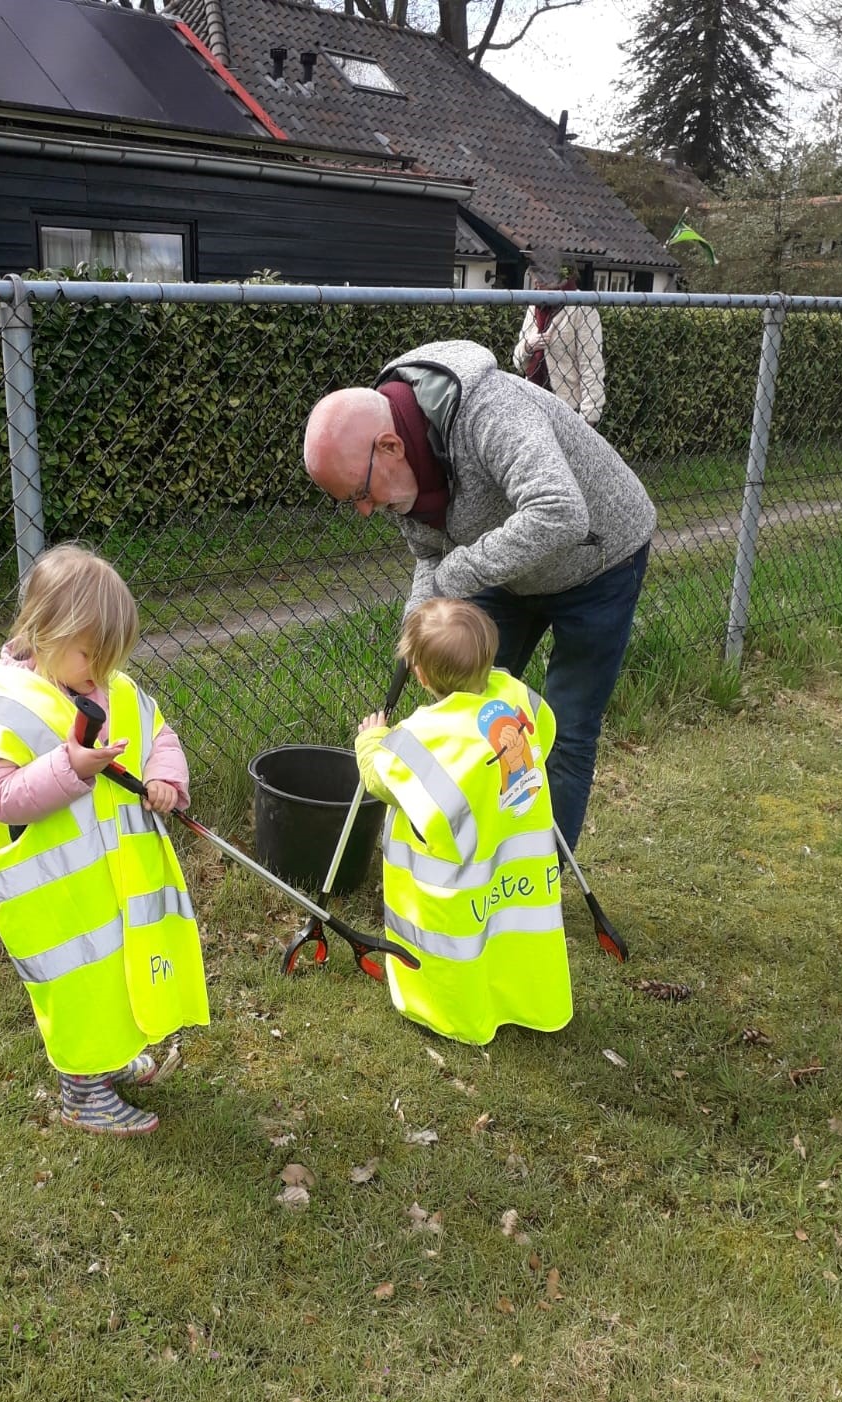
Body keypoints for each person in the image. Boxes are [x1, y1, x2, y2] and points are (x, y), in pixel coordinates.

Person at [302, 338, 656, 851]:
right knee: (464, 710)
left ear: (390, 447)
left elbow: (559, 510)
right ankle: (477, 856)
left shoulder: (487, 409)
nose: (362, 510)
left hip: (600, 562)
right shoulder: (405, 470)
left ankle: (539, 879)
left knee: (568, 731)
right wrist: (416, 628)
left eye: (360, 493)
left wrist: (457, 576)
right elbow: (431, 555)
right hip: (507, 571)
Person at [0, 544, 209, 1135]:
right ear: (44, 629)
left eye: (112, 654)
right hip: (61, 899)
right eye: (90, 652)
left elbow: (157, 732)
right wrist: (70, 768)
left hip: (118, 878)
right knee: (80, 986)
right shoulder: (10, 703)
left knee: (118, 971)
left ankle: (111, 1058)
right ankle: (81, 1091)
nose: (102, 667)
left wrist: (165, 777)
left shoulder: (112, 689)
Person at [354, 598, 571, 1046]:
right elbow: (545, 733)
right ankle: (520, 998)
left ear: (420, 675)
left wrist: (371, 740)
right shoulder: (514, 696)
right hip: (516, 864)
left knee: (462, 942)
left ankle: (453, 1011)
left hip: (456, 878)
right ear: (490, 658)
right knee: (511, 929)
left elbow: (381, 779)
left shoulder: (420, 736)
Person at [512, 253, 606, 426]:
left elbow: (592, 368)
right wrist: (527, 346)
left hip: (567, 410)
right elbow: (517, 361)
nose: (535, 281)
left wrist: (587, 420)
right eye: (533, 275)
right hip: (533, 405)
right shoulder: (534, 305)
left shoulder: (582, 307)